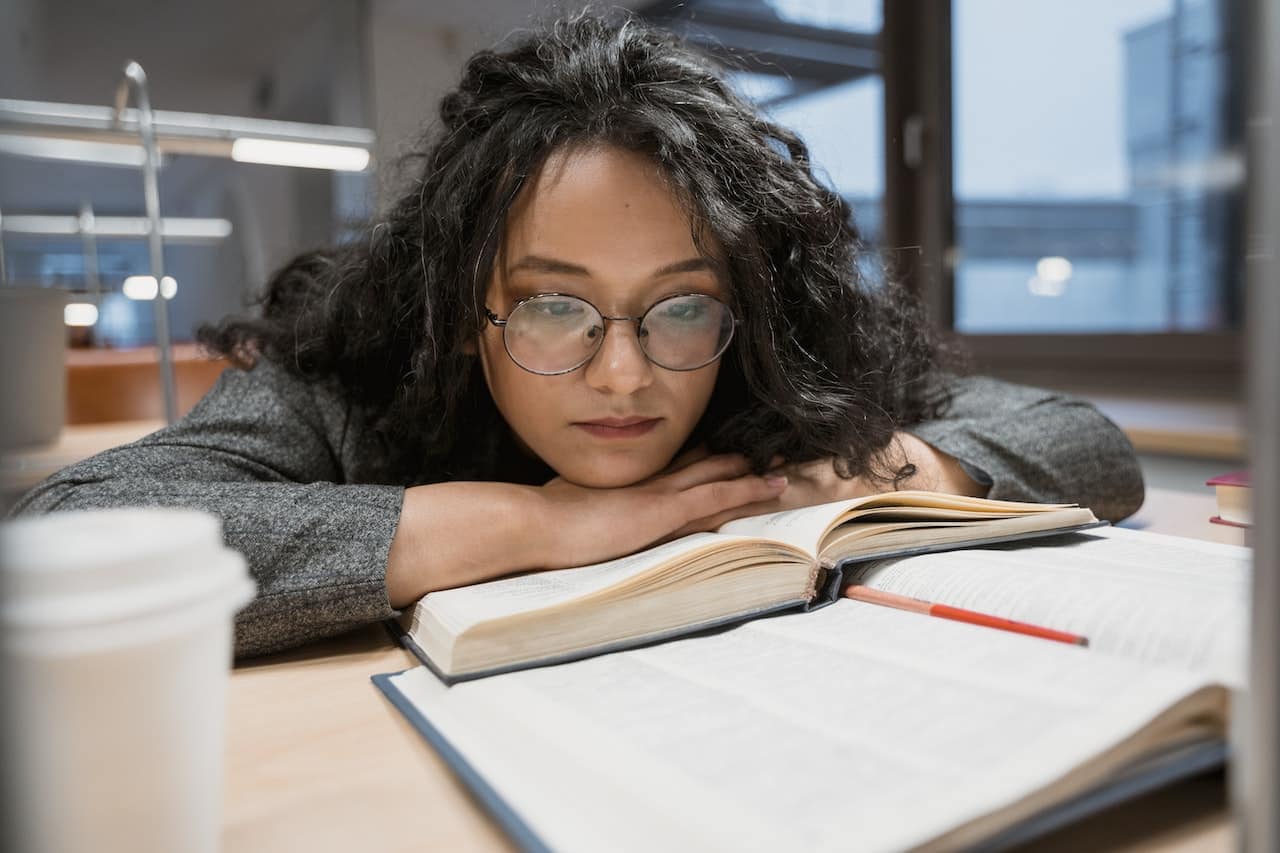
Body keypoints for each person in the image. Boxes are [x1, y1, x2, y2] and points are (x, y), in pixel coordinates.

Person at [11, 12, 1143, 657]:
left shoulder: (769, 378)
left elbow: (1085, 442)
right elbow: (68, 529)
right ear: (463, 310)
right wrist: (536, 521)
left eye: (680, 306)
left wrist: (863, 472)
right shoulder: (341, 378)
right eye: (554, 305)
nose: (622, 373)